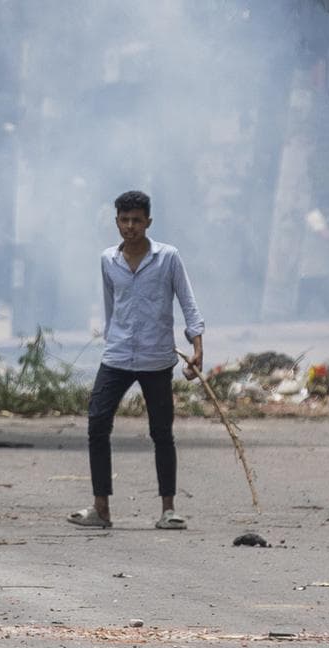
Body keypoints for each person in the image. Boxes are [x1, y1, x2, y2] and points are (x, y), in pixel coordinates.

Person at [68, 190, 204, 530]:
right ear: (116, 222)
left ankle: (168, 509)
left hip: (156, 357)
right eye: (124, 220)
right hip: (116, 354)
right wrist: (112, 336)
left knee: (161, 432)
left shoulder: (168, 257)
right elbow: (111, 306)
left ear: (148, 222)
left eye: (137, 220)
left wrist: (197, 346)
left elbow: (187, 303)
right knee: (97, 424)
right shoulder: (107, 260)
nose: (130, 227)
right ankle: (101, 508)